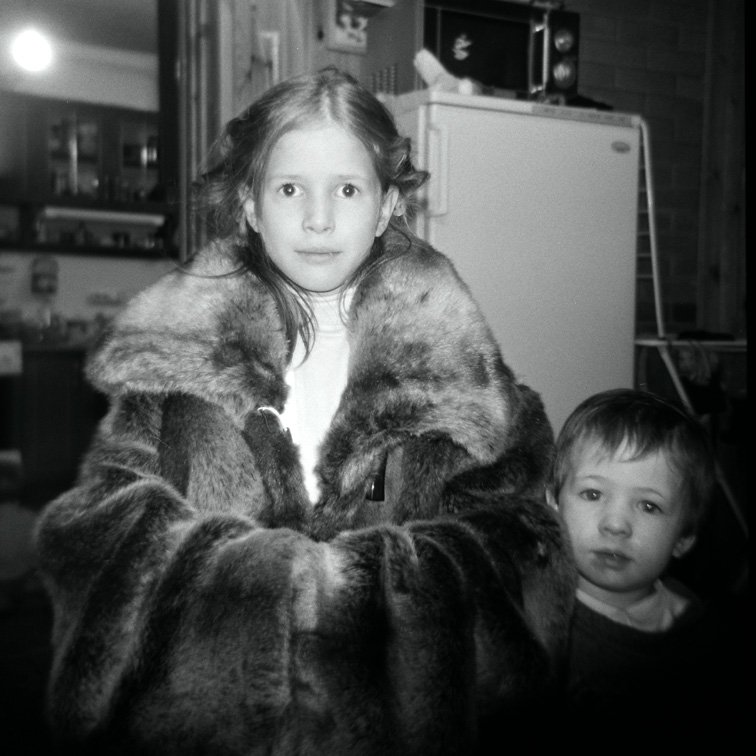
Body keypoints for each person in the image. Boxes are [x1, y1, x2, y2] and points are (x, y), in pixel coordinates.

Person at [34, 68, 575, 755]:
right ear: (251, 206)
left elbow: (523, 549)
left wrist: (336, 602)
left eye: (347, 190)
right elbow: (98, 533)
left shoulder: (461, 379)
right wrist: (273, 593)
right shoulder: (172, 369)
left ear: (386, 206)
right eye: (290, 189)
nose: (319, 219)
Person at [547, 388, 746, 737]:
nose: (616, 525)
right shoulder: (534, 623)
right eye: (593, 494)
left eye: (649, 506)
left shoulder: (703, 631)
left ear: (684, 538)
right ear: (553, 504)